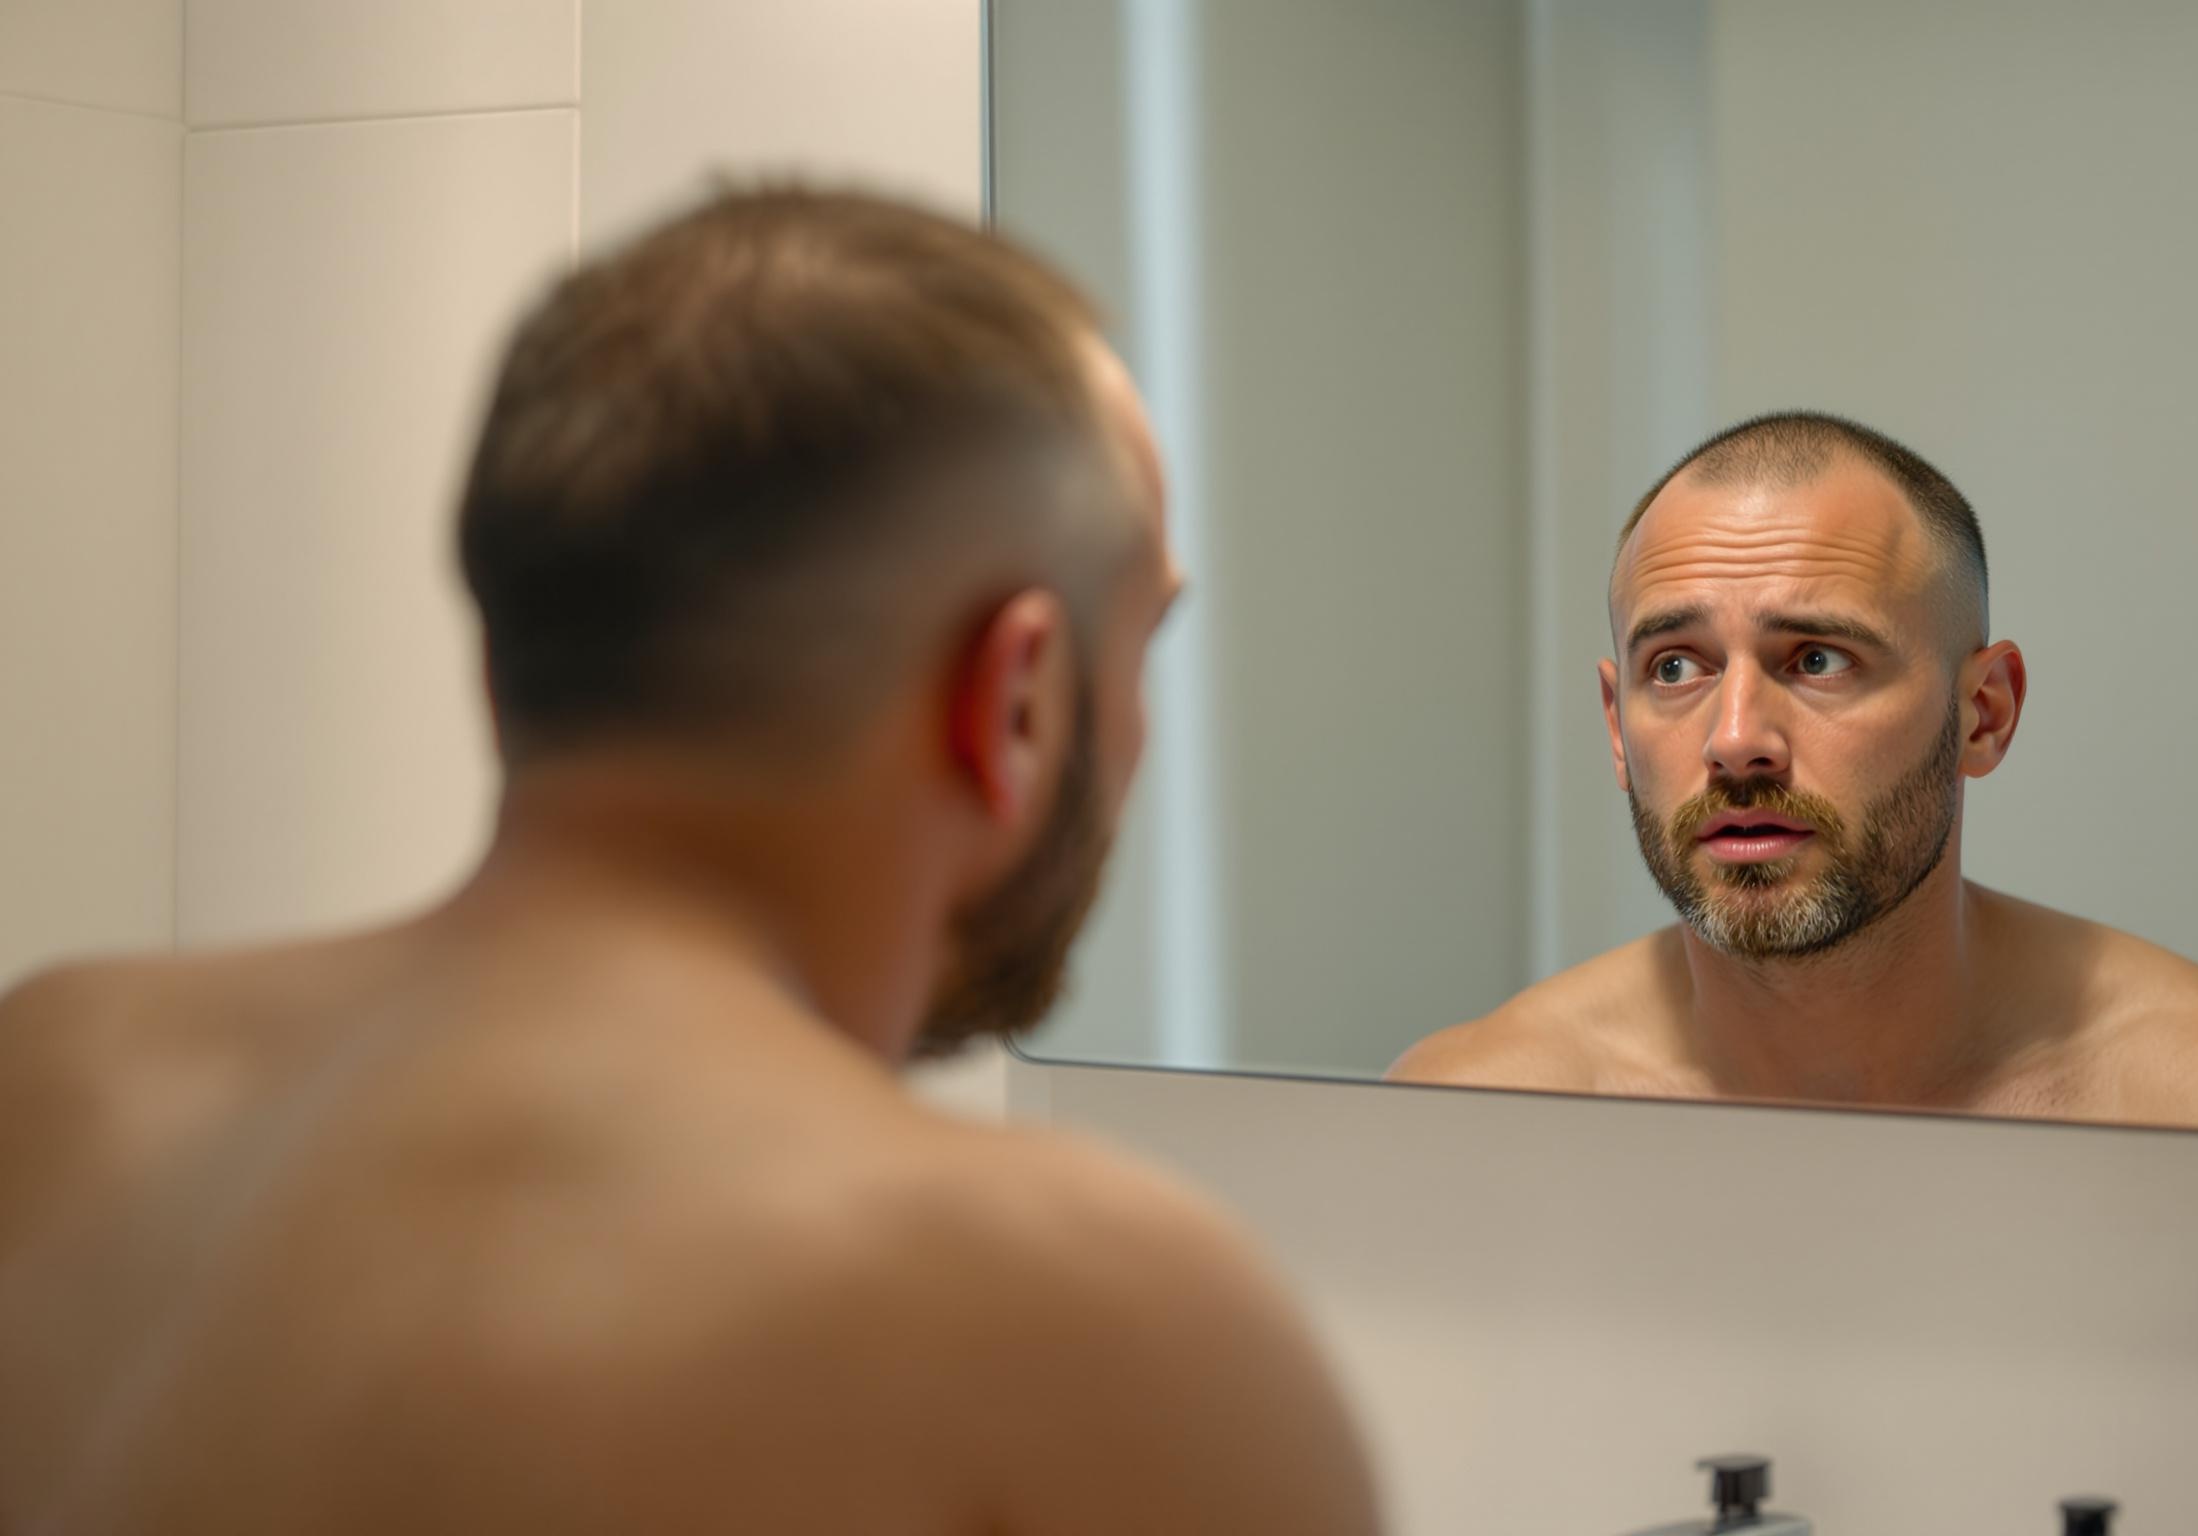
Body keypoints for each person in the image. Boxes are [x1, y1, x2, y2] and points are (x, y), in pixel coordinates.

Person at [0, 190, 1380, 1535]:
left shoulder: (61, 1081)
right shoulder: (1091, 1323)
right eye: (1145, 642)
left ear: (511, 653)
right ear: (1014, 704)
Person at [1390, 412, 2198, 1138]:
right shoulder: (1477, 1111)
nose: (1735, 740)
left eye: (1817, 660)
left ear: (1983, 712)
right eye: (1676, 668)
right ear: (1616, 726)